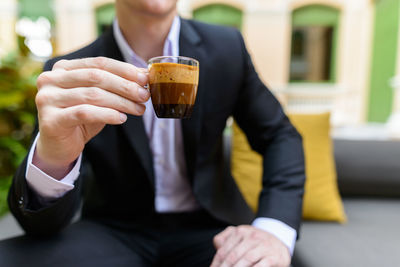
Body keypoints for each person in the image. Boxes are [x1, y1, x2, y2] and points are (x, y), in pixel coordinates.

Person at [1, 0, 305, 266]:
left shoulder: (227, 48)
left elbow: (280, 135)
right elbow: (40, 225)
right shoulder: (70, 73)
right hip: (114, 230)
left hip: (212, 229)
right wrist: (53, 157)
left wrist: (272, 229)